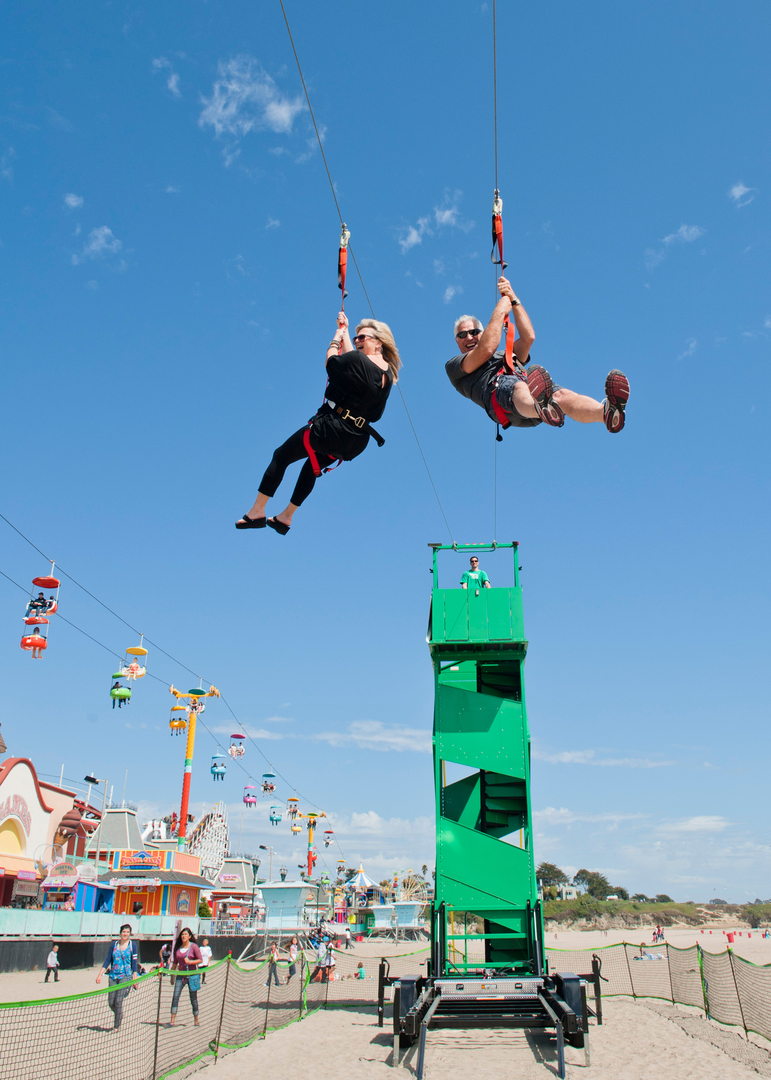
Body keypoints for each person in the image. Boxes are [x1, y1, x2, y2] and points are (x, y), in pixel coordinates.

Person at [235, 313, 401, 535]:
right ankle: (286, 517)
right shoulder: (388, 373)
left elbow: (332, 362)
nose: (358, 340)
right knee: (311, 468)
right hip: (354, 441)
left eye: (362, 337)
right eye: (356, 338)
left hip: (330, 430)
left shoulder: (359, 361)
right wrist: (347, 332)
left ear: (378, 342)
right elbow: (356, 360)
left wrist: (336, 337)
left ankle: (257, 511)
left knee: (281, 455)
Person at [446, 276, 629, 434]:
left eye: (474, 332)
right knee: (517, 386)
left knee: (562, 395)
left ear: (482, 332)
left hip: (532, 395)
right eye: (462, 335)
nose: (468, 337)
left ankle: (606, 413)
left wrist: (514, 299)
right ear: (457, 341)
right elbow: (486, 350)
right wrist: (501, 310)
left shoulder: (506, 355)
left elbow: (528, 338)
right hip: (503, 400)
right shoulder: (455, 366)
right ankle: (541, 407)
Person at [96, 924, 139, 1030]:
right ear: (120, 933)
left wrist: (135, 979)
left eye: (127, 932)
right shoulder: (114, 945)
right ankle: (119, 1015)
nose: (125, 934)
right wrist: (100, 975)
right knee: (111, 1002)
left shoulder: (132, 946)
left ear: (130, 934)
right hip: (113, 976)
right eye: (124, 932)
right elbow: (107, 960)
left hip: (125, 976)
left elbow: (134, 964)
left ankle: (116, 1026)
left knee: (118, 1001)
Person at [169, 927, 203, 1027]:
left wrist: (191, 962)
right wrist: (172, 976)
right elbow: (174, 963)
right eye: (182, 934)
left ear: (189, 936)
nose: (184, 936)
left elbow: (200, 959)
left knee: (193, 998)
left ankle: (196, 1020)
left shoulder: (194, 947)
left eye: (185, 934)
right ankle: (172, 1021)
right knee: (175, 996)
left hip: (192, 975)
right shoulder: (177, 948)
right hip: (181, 975)